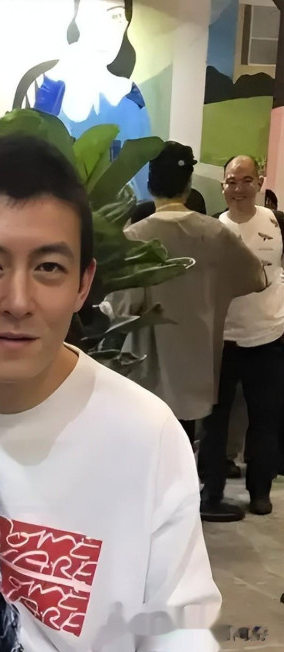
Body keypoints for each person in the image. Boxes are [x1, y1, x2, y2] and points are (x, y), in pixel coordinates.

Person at [0, 135, 221, 652]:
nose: (18, 301)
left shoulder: (143, 435)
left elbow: (179, 636)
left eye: (49, 268)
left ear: (83, 285)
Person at [113, 143, 264, 448]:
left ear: (151, 185)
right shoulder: (216, 233)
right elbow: (256, 278)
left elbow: (120, 307)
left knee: (146, 449)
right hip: (195, 367)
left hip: (144, 369)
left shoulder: (134, 238)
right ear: (188, 185)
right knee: (181, 447)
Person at [198, 155, 284, 519]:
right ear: (223, 187)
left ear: (259, 183)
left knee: (265, 419)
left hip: (269, 336)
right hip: (223, 339)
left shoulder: (277, 222)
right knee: (214, 420)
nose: (239, 189)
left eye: (246, 180)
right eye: (232, 181)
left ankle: (260, 491)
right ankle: (212, 490)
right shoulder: (213, 228)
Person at [13, 0, 151, 199]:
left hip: (118, 211)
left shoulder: (129, 96)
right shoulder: (46, 83)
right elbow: (28, 154)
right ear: (77, 20)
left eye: (117, 16)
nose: (107, 30)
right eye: (94, 16)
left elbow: (143, 179)